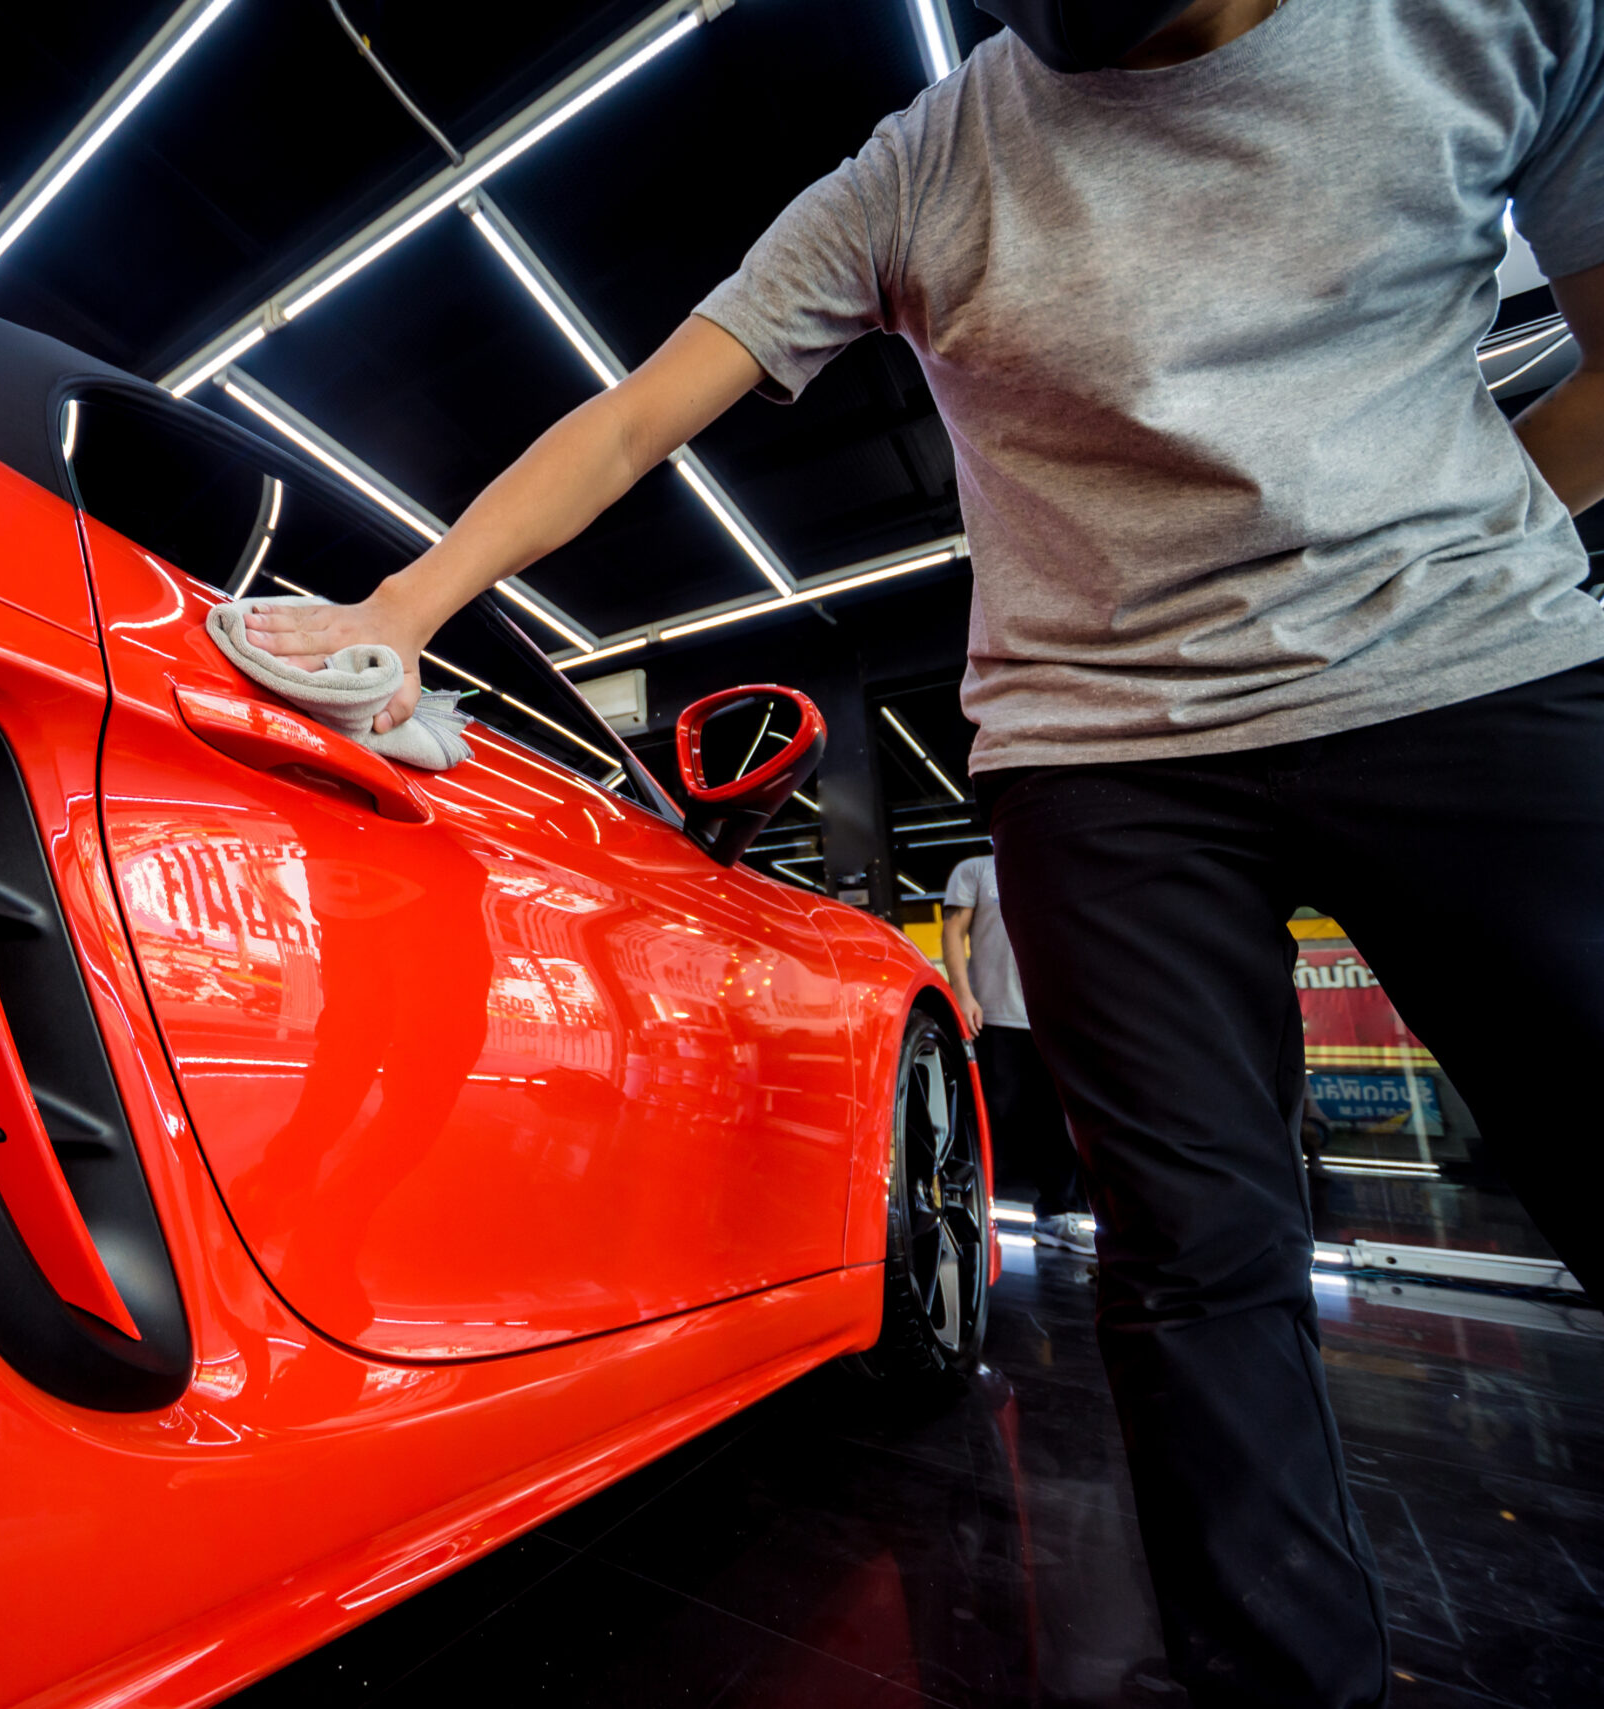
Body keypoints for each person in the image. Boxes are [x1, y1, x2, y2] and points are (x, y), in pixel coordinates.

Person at [244, 2, 1603, 1704]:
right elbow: (633, 418)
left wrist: (1468, 546)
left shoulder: (1489, 24)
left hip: (1464, 671)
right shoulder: (929, 159)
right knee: (1193, 1255)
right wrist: (399, 610)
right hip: (1101, 747)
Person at [940, 849, 1089, 1252]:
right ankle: (966, 1214)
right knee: (990, 1119)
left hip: (1054, 1018)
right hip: (993, 1018)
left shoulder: (1059, 866)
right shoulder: (975, 870)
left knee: (1057, 1126)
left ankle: (1055, 1217)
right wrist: (963, 995)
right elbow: (953, 931)